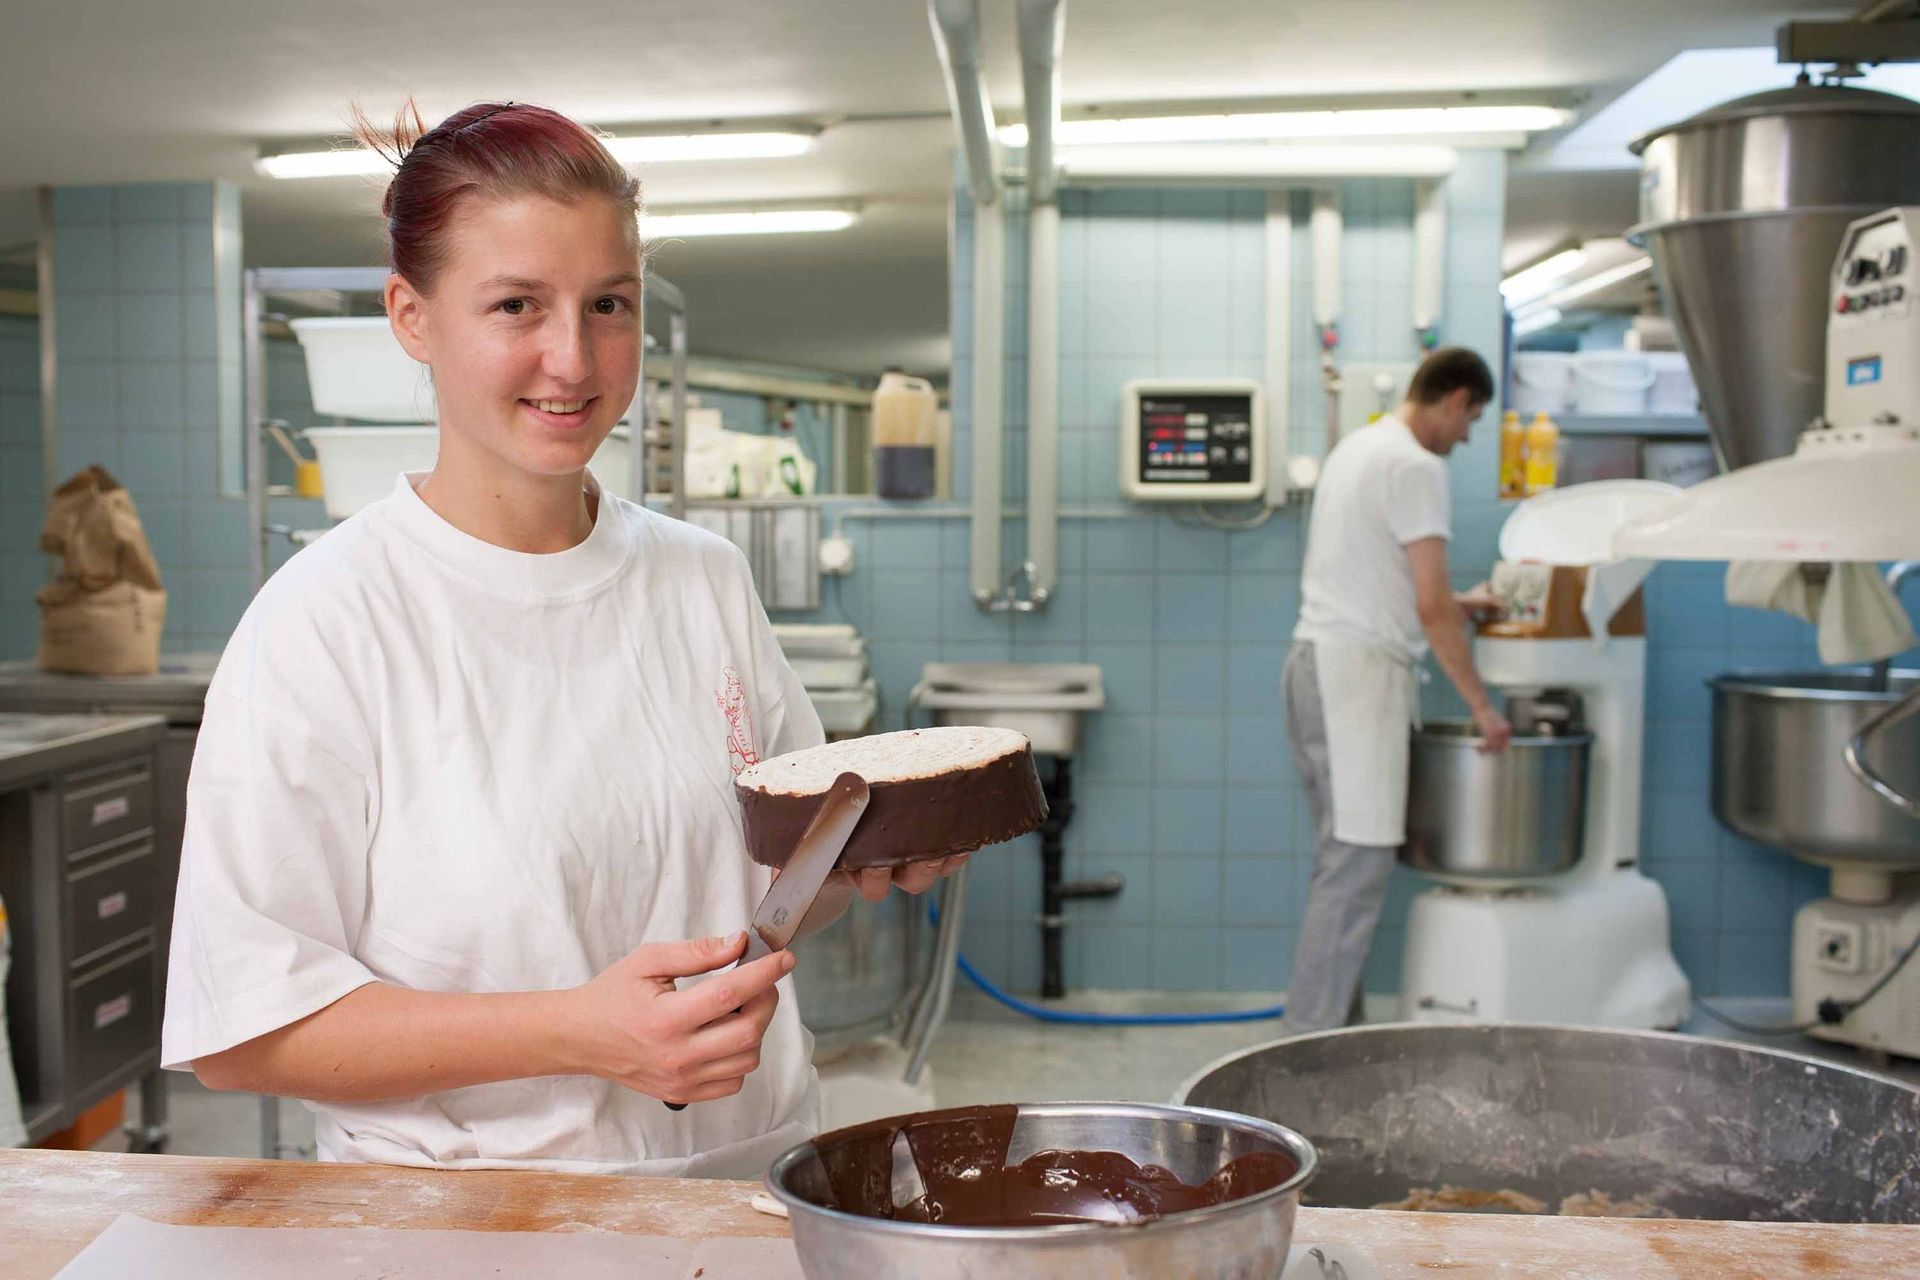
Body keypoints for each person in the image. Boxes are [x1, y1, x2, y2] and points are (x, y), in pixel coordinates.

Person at [160, 101, 962, 1177]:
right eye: (514, 305)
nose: (572, 357)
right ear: (412, 315)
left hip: (740, 1186)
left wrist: (861, 860)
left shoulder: (702, 579)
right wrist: (581, 1031)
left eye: (608, 303)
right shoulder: (328, 621)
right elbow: (246, 1026)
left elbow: (762, 884)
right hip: (475, 1223)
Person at [1282, 346, 1512, 1036]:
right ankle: (1301, 1055)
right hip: (1356, 679)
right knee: (1355, 870)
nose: (1468, 435)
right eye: (1472, 417)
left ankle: (1328, 1038)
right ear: (1454, 399)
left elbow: (1383, 576)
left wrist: (1459, 601)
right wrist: (1480, 706)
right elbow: (1430, 605)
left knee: (1341, 862)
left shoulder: (1360, 447)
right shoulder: (1416, 465)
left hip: (1313, 665)